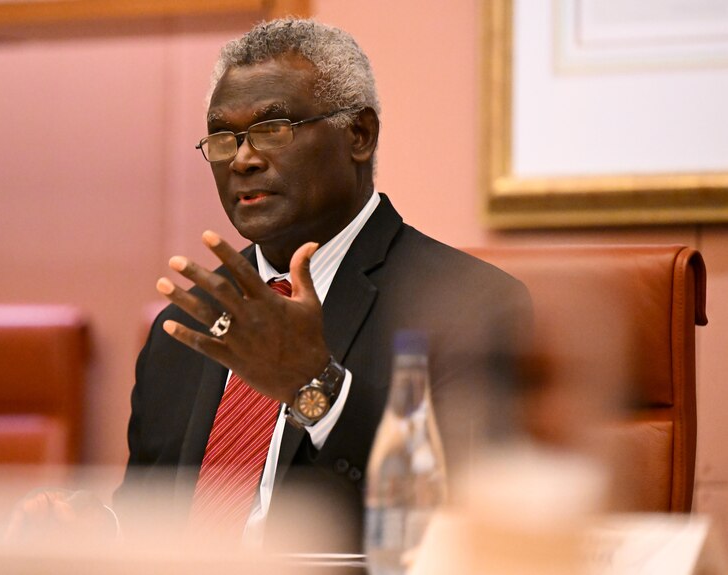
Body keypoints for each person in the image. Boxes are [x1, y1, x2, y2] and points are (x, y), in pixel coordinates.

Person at [112, 18, 531, 553]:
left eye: (273, 129)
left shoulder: (469, 304)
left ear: (359, 135)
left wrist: (317, 388)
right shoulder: (188, 323)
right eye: (224, 137)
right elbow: (145, 522)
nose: (243, 157)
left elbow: (466, 517)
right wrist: (96, 526)